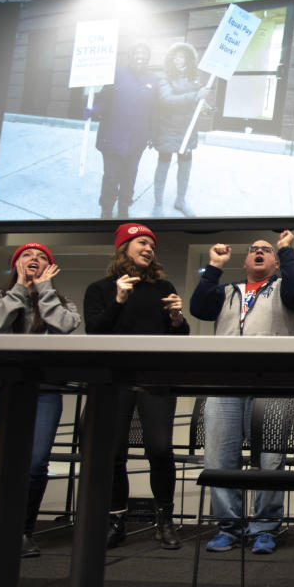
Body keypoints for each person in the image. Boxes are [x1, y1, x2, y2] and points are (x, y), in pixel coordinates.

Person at [189, 232, 294, 555]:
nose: (258, 253)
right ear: (245, 261)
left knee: (270, 460)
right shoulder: (226, 292)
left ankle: (264, 528)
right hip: (225, 385)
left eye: (266, 251)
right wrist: (214, 267)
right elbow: (198, 307)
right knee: (218, 458)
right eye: (253, 250)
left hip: (272, 385)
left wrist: (286, 250)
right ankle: (229, 528)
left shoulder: (286, 289)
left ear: (274, 261)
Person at [84, 223, 189, 550]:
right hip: (115, 380)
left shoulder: (163, 287)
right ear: (124, 248)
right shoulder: (100, 289)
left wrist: (176, 319)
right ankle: (116, 519)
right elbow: (94, 332)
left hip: (155, 379)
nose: (148, 249)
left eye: (152, 246)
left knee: (159, 449)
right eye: (142, 243)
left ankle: (164, 520)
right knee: (114, 452)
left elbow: (178, 338)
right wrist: (118, 300)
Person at [0, 243, 80, 559]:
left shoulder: (63, 303)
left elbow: (63, 327)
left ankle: (22, 531)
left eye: (42, 257)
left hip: (43, 389)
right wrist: (20, 289)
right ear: (14, 263)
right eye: (26, 255)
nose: (34, 259)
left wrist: (44, 290)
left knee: (35, 464)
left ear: (51, 268)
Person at [91, 42, 157, 219]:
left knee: (129, 176)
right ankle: (106, 209)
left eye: (144, 53)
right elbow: (103, 99)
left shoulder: (153, 79)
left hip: (137, 138)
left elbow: (155, 109)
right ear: (130, 55)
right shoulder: (116, 74)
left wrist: (152, 134)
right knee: (111, 177)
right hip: (113, 135)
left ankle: (123, 208)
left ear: (148, 58)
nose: (140, 56)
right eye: (137, 52)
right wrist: (94, 110)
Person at [152, 42, 210, 217]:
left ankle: (180, 201)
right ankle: (158, 204)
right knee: (163, 165)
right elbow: (167, 100)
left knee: (185, 167)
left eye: (182, 56)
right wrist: (195, 96)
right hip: (168, 128)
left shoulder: (195, 78)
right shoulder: (165, 78)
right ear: (171, 59)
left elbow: (198, 101)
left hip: (188, 129)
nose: (179, 60)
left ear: (189, 59)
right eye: (176, 57)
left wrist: (205, 105)